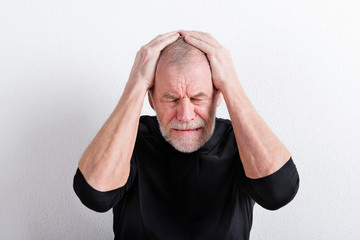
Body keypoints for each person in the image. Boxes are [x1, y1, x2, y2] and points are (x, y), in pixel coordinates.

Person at [73, 30, 299, 239]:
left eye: (198, 97)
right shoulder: (132, 139)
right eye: (170, 99)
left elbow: (278, 192)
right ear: (151, 100)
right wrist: (136, 83)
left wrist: (231, 84)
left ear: (218, 96)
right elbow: (95, 195)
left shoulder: (238, 140)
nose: (185, 115)